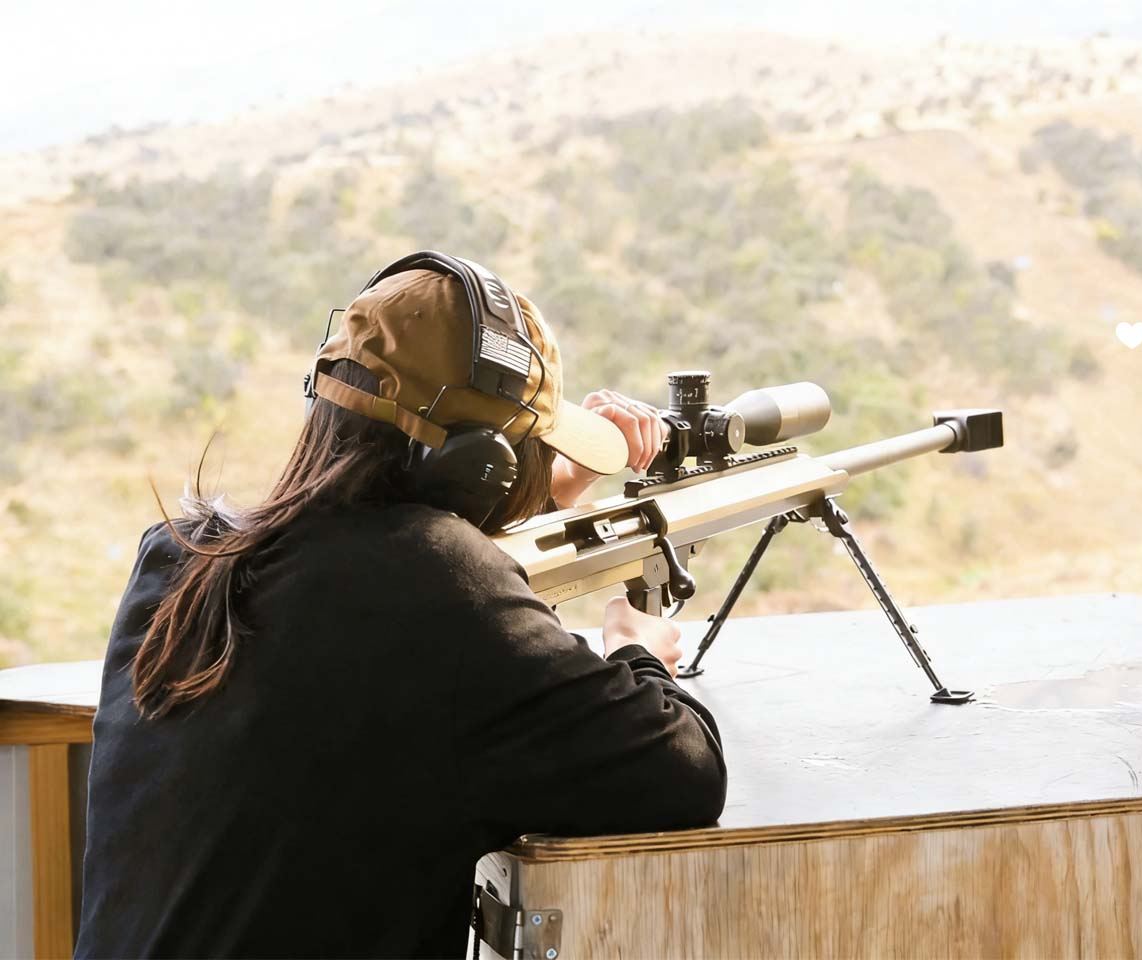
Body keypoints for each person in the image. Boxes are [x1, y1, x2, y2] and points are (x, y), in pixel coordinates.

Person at [75, 257, 727, 958]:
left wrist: (541, 497)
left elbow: (380, 615)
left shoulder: (179, 559)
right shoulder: (445, 594)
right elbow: (686, 774)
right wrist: (635, 649)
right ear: (485, 466)